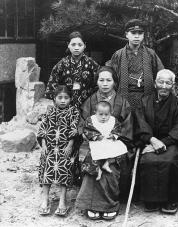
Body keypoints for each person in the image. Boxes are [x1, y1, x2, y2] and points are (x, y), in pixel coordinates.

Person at [75, 66, 133, 221]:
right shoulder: (91, 101)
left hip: (115, 143)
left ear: (114, 82)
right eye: (101, 80)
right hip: (93, 142)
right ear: (97, 82)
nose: (105, 83)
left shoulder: (122, 102)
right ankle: (91, 205)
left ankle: (109, 206)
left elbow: (127, 128)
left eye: (109, 80)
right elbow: (82, 124)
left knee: (111, 167)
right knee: (91, 162)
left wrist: (114, 137)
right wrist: (91, 137)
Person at [135, 69, 178, 214]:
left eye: (168, 83)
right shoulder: (145, 101)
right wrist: (152, 141)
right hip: (149, 141)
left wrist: (162, 143)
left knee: (170, 160)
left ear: (173, 85)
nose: (164, 86)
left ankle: (170, 200)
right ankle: (151, 200)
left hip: (171, 143)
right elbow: (140, 123)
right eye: (161, 82)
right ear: (155, 83)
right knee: (148, 160)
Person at [37, 85, 80, 217]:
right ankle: (45, 198)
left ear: (70, 99)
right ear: (54, 98)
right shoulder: (50, 111)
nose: (63, 100)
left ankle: (62, 200)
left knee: (64, 167)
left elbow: (74, 129)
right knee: (47, 167)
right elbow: (43, 127)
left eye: (66, 98)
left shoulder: (73, 112)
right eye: (59, 97)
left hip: (65, 147)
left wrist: (70, 145)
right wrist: (43, 144)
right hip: (50, 147)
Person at [107, 19, 164, 110]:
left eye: (140, 33)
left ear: (143, 35)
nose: (137, 36)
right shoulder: (118, 55)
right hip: (125, 96)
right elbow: (110, 77)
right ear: (126, 34)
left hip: (147, 97)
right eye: (133, 33)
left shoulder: (150, 54)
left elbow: (162, 74)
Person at [45, 31, 100, 109]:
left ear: (85, 45)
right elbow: (51, 87)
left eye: (80, 44)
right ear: (68, 45)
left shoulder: (92, 64)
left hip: (87, 107)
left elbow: (99, 86)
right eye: (73, 44)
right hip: (65, 108)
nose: (76, 48)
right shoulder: (61, 64)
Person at [83, 101, 129, 181]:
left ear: (111, 113)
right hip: (97, 142)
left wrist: (113, 135)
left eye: (106, 114)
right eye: (100, 114)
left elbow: (118, 129)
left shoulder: (113, 120)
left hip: (109, 141)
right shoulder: (91, 120)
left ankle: (107, 163)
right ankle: (97, 170)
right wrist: (96, 136)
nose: (103, 117)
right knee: (92, 155)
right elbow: (87, 130)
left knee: (121, 151)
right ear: (95, 112)